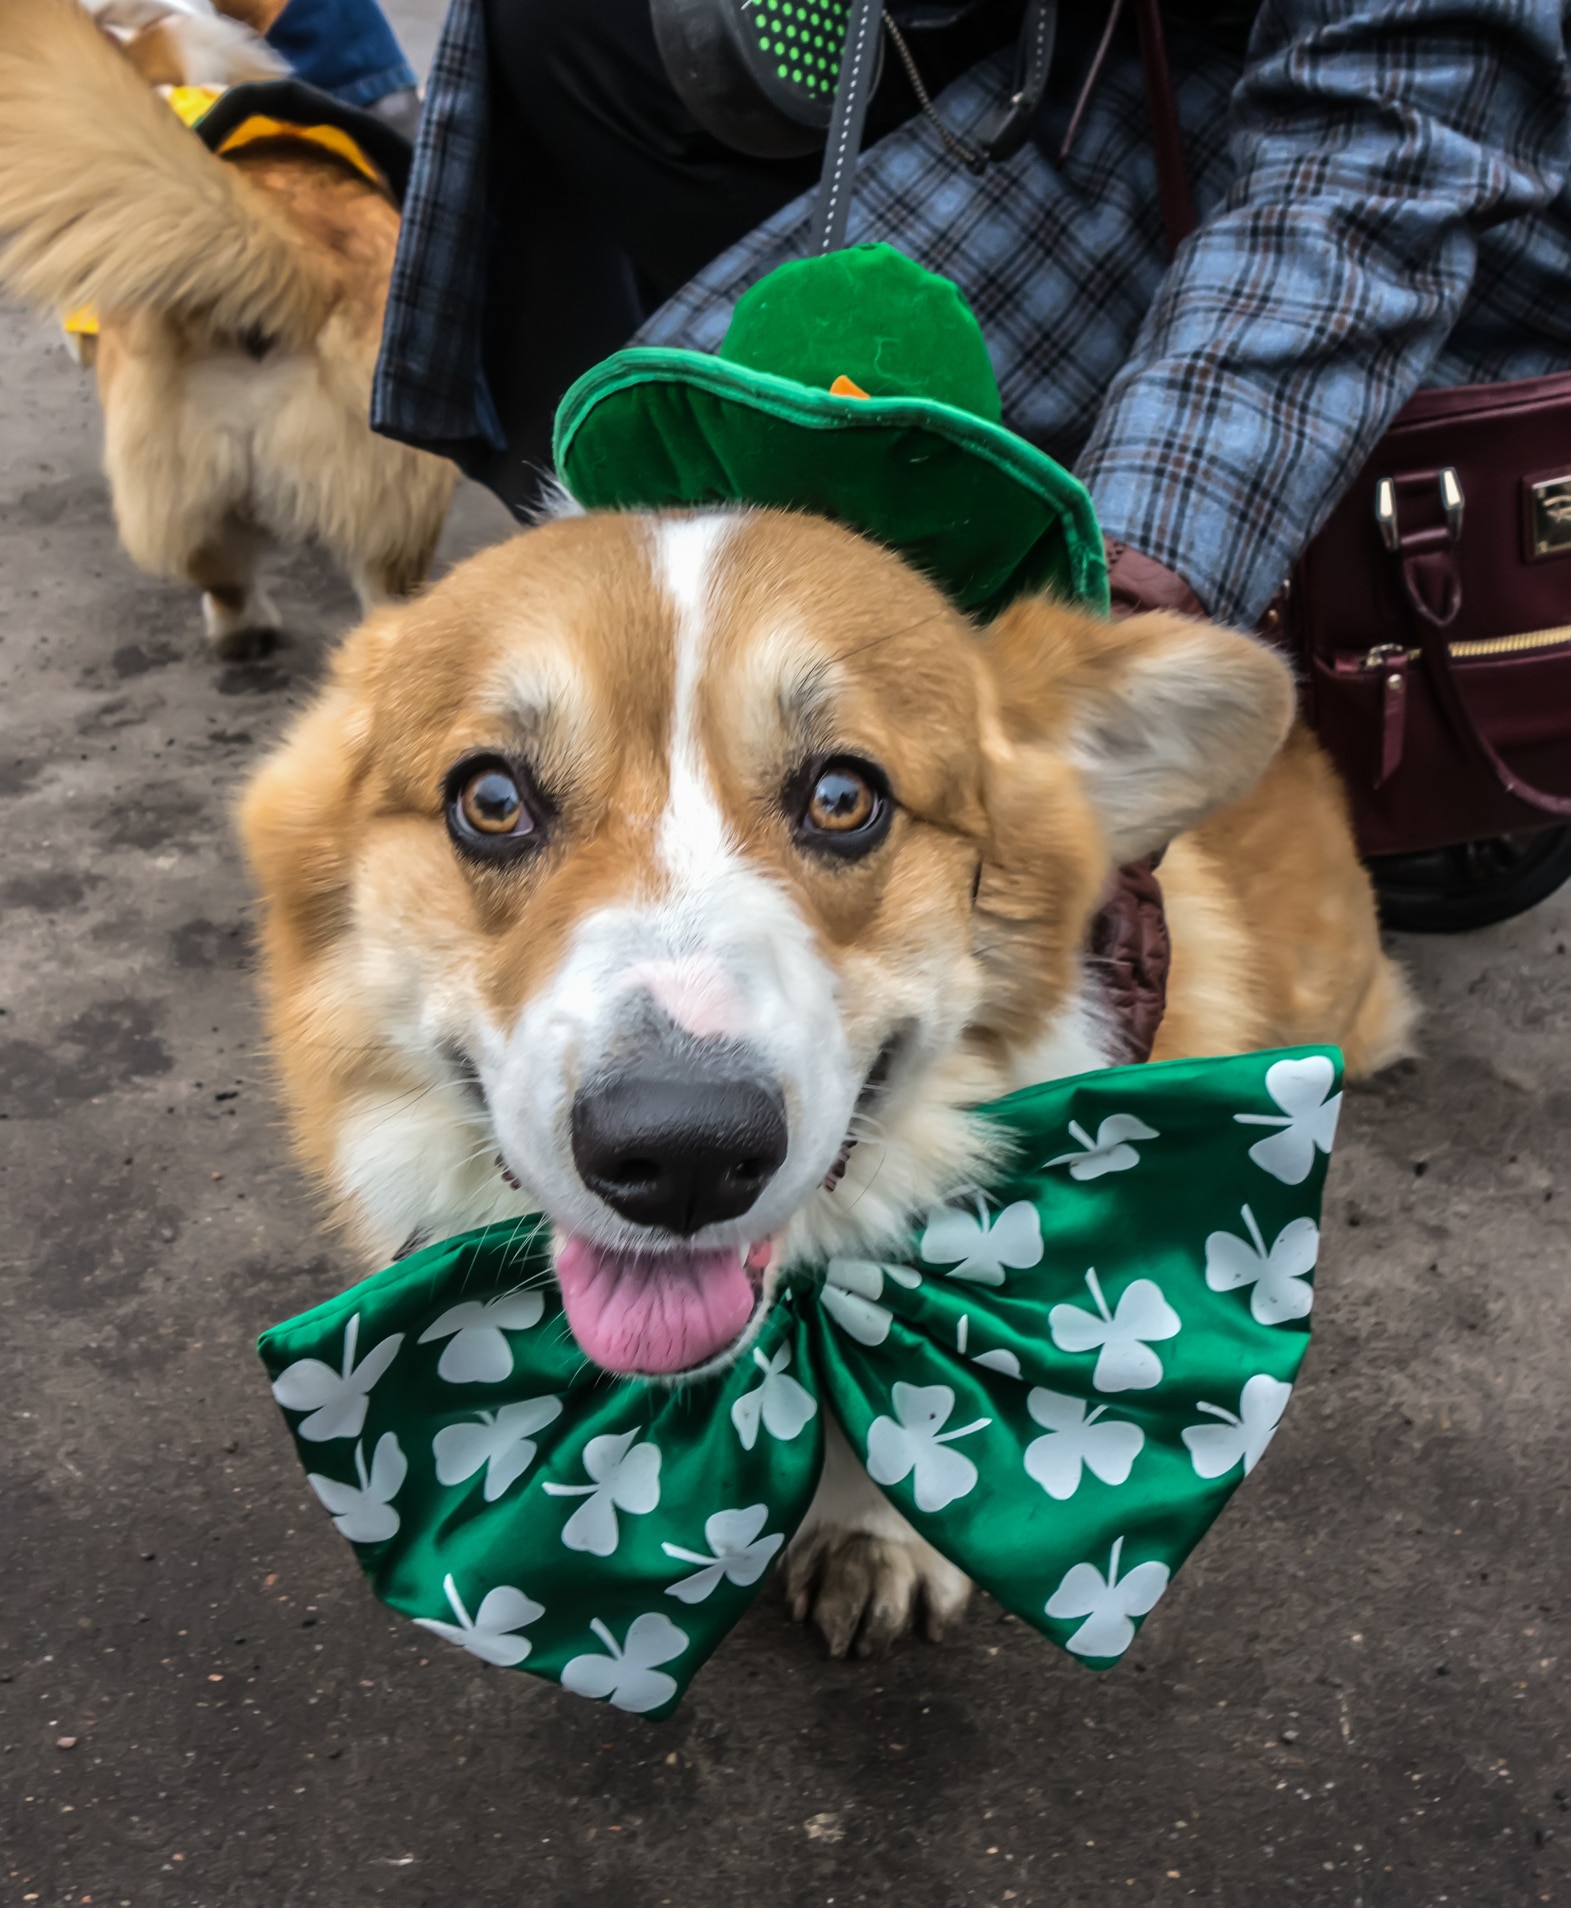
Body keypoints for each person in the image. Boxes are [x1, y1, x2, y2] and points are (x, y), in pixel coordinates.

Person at [370, 0, 1571, 919]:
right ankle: (755, 738)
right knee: (580, 51)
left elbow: (1376, 162)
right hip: (1100, 60)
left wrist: (1114, 622)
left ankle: (1420, 738)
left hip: (1406, 143)